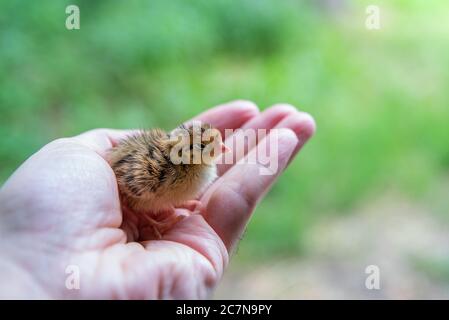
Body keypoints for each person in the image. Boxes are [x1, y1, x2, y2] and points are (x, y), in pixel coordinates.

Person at [0, 100, 315, 299]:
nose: (219, 150)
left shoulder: (190, 165)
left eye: (216, 144)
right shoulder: (172, 174)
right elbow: (136, 182)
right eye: (210, 148)